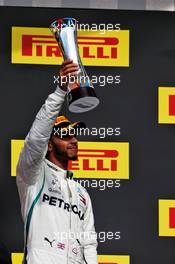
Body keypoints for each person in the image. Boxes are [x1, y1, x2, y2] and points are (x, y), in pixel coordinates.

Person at [16, 60, 98, 264]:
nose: (74, 140)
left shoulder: (81, 193)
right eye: (66, 136)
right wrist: (61, 90)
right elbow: (36, 139)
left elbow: (89, 243)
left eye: (74, 135)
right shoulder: (33, 176)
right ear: (50, 144)